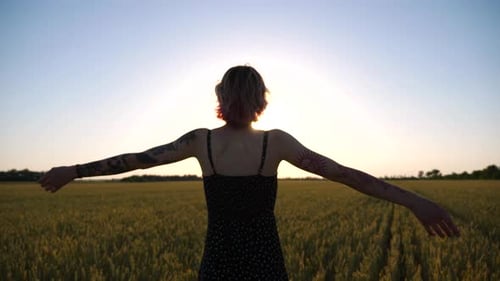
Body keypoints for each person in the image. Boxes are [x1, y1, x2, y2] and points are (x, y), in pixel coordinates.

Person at [39, 65, 460, 280]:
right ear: (263, 99)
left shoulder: (199, 141)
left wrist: (73, 170)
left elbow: (134, 160)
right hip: (265, 267)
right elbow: (348, 175)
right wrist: (414, 200)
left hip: (217, 264)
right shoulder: (274, 143)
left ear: (220, 96)